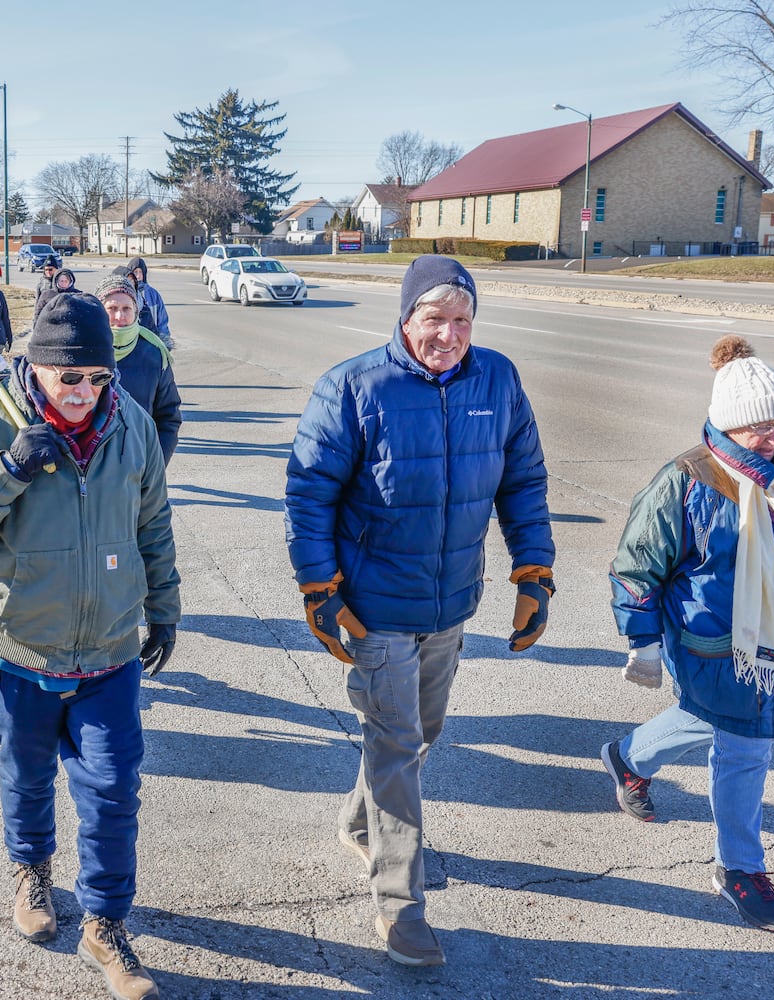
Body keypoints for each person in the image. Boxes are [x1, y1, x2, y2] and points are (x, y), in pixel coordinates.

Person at [283, 255, 554, 968]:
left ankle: (358, 819)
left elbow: (521, 479)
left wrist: (534, 573)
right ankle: (399, 907)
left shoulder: (496, 378)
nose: (449, 334)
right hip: (372, 607)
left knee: (420, 730)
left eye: (462, 319)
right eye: (433, 318)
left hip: (450, 600)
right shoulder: (353, 386)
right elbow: (308, 493)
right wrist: (320, 588)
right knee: (396, 742)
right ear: (404, 318)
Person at [0, 291, 180, 1000]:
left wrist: (164, 608)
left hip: (108, 652)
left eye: (98, 378)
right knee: (27, 777)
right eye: (69, 378)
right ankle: (31, 871)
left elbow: (152, 522)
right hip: (19, 651)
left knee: (112, 791)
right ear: (34, 367)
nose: (84, 392)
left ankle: (105, 922)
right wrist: (6, 469)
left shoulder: (130, 424)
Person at [603, 335, 774, 935]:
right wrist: (642, 642)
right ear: (728, 425)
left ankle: (627, 756)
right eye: (760, 429)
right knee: (745, 746)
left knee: (715, 721)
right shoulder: (686, 481)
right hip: (707, 642)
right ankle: (740, 868)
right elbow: (637, 567)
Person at [94, 273, 181, 465]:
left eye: (126, 308)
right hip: (89, 470)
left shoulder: (154, 353)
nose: (119, 316)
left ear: (136, 310)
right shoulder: (83, 350)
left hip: (138, 465)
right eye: (112, 308)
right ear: (99, 310)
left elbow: (168, 418)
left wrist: (154, 466)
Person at [127, 257, 172, 350]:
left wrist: (165, 343)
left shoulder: (153, 294)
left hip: (151, 343)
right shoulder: (125, 294)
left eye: (141, 272)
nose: (138, 276)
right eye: (135, 272)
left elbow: (162, 322)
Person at [32, 259, 73, 324]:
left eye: (50, 269)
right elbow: (38, 304)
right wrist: (36, 321)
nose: (48, 272)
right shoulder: (41, 284)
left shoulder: (65, 280)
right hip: (46, 317)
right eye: (46, 270)